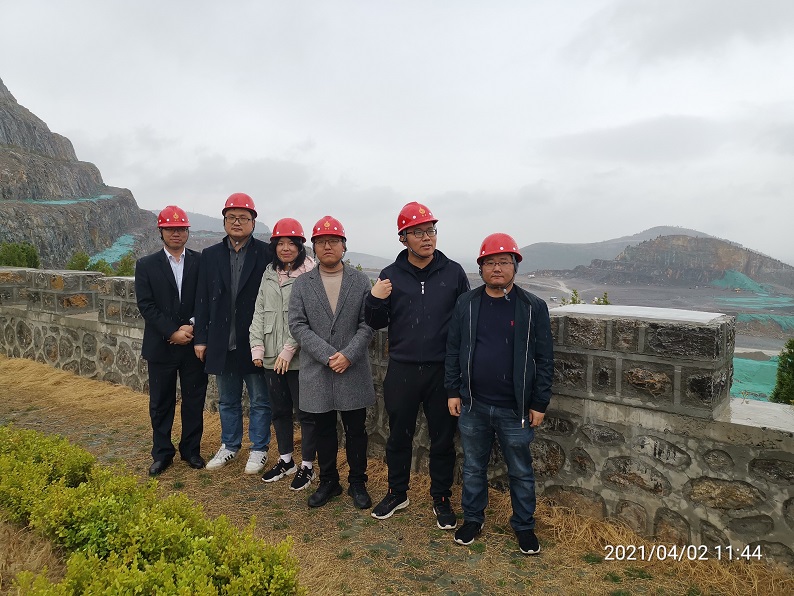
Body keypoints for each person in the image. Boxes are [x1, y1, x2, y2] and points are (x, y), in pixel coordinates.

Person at [445, 233, 554, 555]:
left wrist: (539, 402)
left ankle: (524, 526)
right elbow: (453, 349)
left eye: (504, 262)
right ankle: (473, 519)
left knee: (520, 471)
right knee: (473, 467)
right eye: (490, 262)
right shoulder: (467, 303)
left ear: (514, 267)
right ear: (480, 268)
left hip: (515, 408)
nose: (497, 268)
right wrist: (453, 390)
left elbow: (545, 358)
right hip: (473, 404)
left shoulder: (533, 307)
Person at [365, 201, 470, 528]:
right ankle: (397, 492)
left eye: (431, 231)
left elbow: (465, 323)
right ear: (403, 238)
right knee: (399, 436)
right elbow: (376, 322)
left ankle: (441, 497)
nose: (427, 238)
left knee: (443, 438)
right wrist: (374, 298)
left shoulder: (453, 272)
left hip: (442, 370)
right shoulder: (390, 275)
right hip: (403, 369)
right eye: (418, 232)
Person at [288, 215, 376, 509]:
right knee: (323, 430)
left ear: (343, 246)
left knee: (356, 431)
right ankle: (329, 481)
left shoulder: (359, 281)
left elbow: (368, 322)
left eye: (334, 241)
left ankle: (357, 482)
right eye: (322, 241)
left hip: (353, 368)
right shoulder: (303, 283)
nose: (328, 246)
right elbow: (297, 325)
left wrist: (348, 354)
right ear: (313, 247)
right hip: (317, 369)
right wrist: (328, 355)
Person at [194, 193, 273, 474]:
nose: (237, 222)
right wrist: (201, 338)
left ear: (253, 222)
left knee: (260, 400)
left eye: (243, 217)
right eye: (231, 217)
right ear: (224, 221)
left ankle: (259, 449)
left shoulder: (267, 253)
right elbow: (202, 299)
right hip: (222, 340)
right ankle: (229, 445)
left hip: (255, 341)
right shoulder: (210, 255)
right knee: (227, 399)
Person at [135, 205, 208, 476]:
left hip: (193, 346)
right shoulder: (146, 265)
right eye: (170, 229)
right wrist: (171, 332)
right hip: (161, 346)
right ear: (161, 232)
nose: (176, 233)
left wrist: (191, 326)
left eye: (180, 229)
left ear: (187, 232)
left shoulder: (201, 262)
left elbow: (205, 299)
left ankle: (191, 450)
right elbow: (146, 305)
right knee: (160, 403)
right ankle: (162, 453)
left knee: (194, 401)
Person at [250, 218, 318, 491]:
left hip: (300, 358)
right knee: (279, 411)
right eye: (280, 243)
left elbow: (308, 318)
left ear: (301, 246)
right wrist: (257, 346)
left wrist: (289, 350)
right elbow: (259, 311)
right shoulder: (268, 273)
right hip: (270, 355)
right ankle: (286, 460)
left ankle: (308, 465)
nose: (286, 248)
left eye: (292, 243)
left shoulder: (310, 274)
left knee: (306, 413)